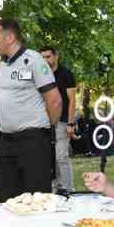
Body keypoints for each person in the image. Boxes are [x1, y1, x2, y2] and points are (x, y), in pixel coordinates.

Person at [0, 18, 60, 200]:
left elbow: (54, 101)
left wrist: (46, 129)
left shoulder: (34, 60)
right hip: (6, 142)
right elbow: (14, 93)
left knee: (36, 200)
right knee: (7, 199)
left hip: (32, 141)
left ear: (10, 37)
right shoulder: (4, 64)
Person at [39, 45, 78, 192]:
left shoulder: (66, 74)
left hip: (62, 121)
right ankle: (55, 190)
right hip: (44, 122)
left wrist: (71, 123)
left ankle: (69, 189)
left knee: (61, 156)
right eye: (42, 57)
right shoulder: (41, 75)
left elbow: (72, 100)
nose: (45, 60)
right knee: (50, 158)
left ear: (56, 56)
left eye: (48, 56)